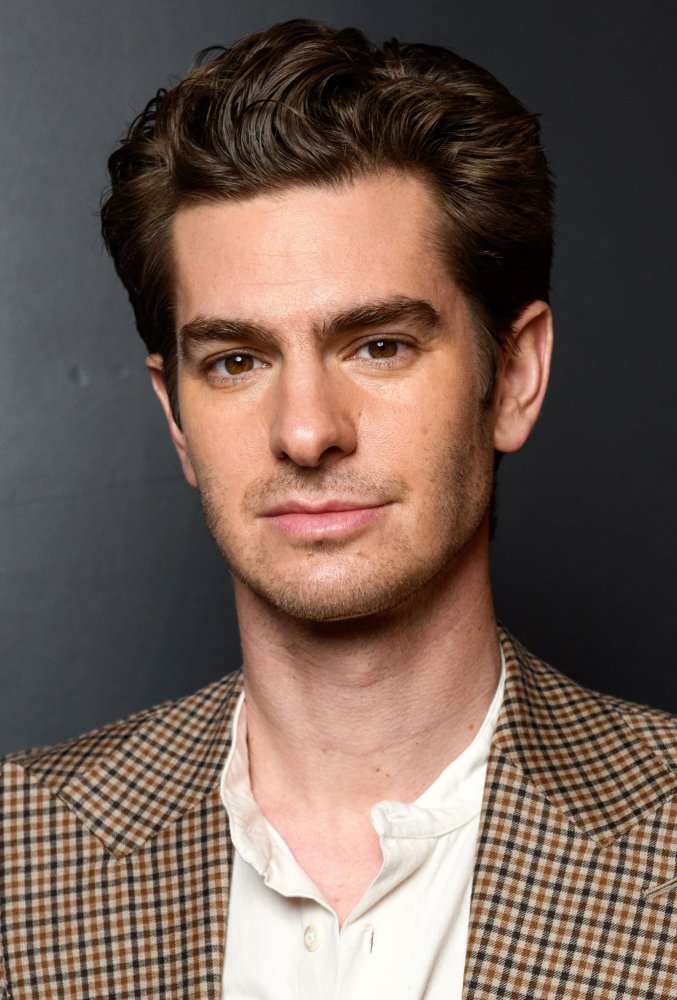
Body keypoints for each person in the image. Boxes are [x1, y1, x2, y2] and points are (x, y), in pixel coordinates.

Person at [1, 18, 675, 1000]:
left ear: (514, 376)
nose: (307, 431)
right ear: (176, 417)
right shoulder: (19, 854)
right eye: (236, 361)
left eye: (379, 346)